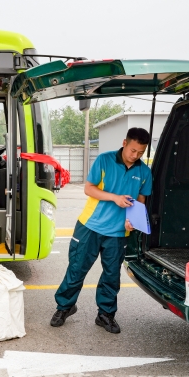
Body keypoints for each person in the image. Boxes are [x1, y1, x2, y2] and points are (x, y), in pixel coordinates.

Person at [50, 127, 153, 334]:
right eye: (133, 150)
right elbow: (89, 188)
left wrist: (132, 220)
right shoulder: (105, 160)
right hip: (90, 226)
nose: (136, 156)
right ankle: (65, 306)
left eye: (141, 152)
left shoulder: (144, 172)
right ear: (125, 143)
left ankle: (105, 314)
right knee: (77, 269)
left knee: (111, 276)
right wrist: (115, 198)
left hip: (118, 233)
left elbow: (141, 201)